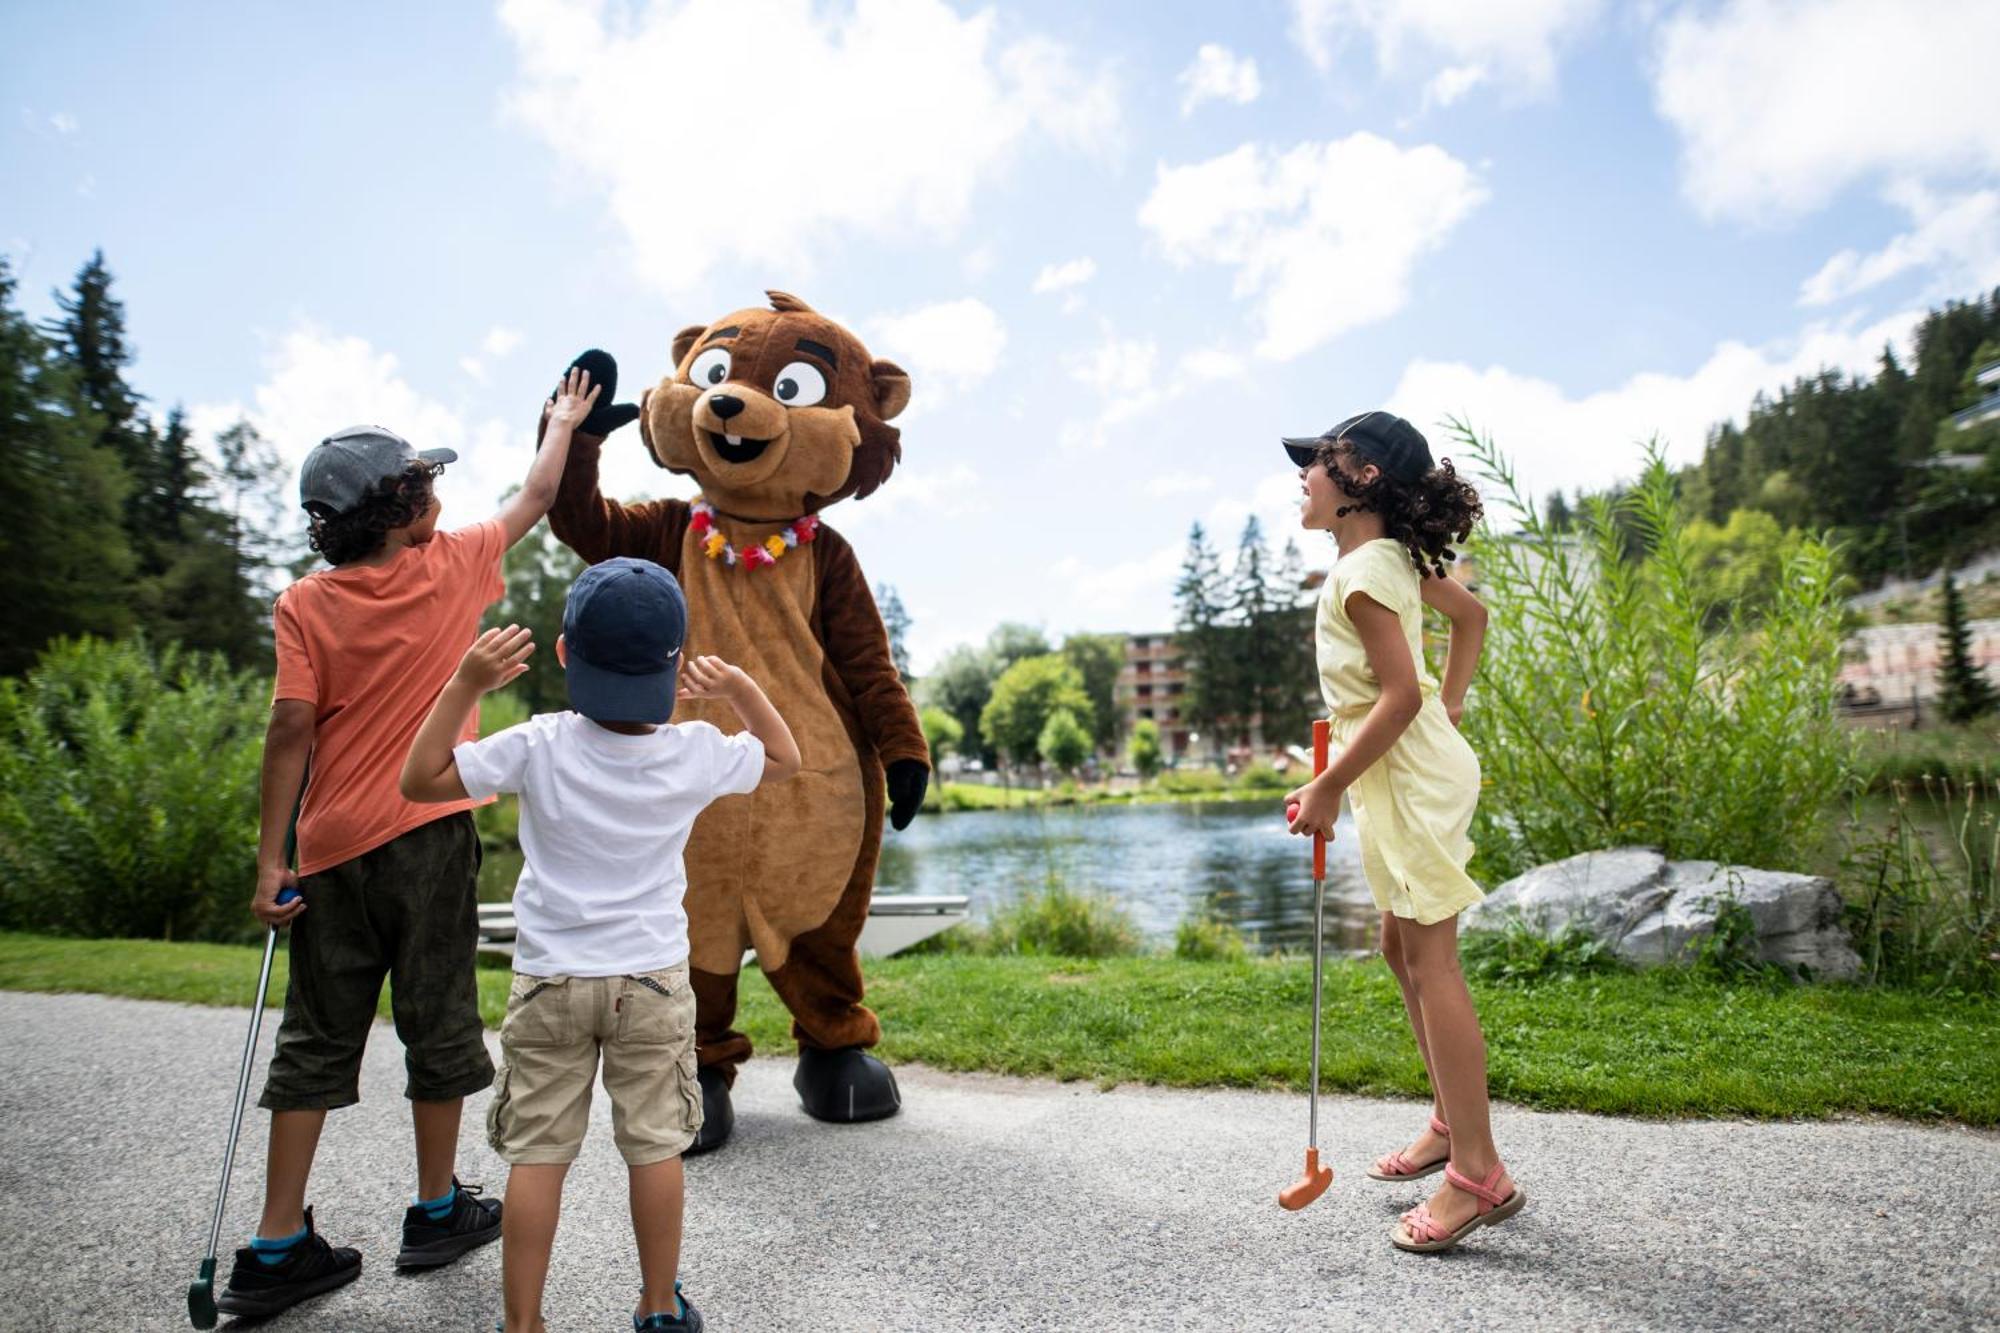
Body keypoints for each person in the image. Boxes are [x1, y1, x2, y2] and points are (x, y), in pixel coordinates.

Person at [215, 368, 601, 1320]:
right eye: (425, 484)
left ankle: (274, 1245)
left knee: (315, 1032)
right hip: (428, 831)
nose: (441, 496)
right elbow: (540, 497)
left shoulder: (305, 603)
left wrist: (273, 860)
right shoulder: (454, 562)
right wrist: (560, 422)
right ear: (403, 509)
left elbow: (289, 729)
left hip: (334, 847)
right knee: (436, 1017)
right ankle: (435, 1209)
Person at [400, 557, 801, 1333]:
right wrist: (740, 689)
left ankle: (523, 1323)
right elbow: (784, 757)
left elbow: (421, 779)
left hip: (550, 979)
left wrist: (465, 684)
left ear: (563, 654)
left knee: (538, 1155)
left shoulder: (537, 743)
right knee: (653, 1147)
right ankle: (657, 1306)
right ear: (675, 664)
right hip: (650, 981)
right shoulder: (692, 750)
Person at [1280, 411, 1527, 1254]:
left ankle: (1480, 1174)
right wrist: (1447, 706)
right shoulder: (1383, 561)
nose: (1304, 474)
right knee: (1398, 946)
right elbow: (1474, 621)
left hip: (1407, 779)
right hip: (1404, 773)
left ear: (1364, 481)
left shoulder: (1365, 574)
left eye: (1319, 463)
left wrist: (1326, 784)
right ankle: (1451, 1123)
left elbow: (1399, 697)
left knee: (1431, 959)